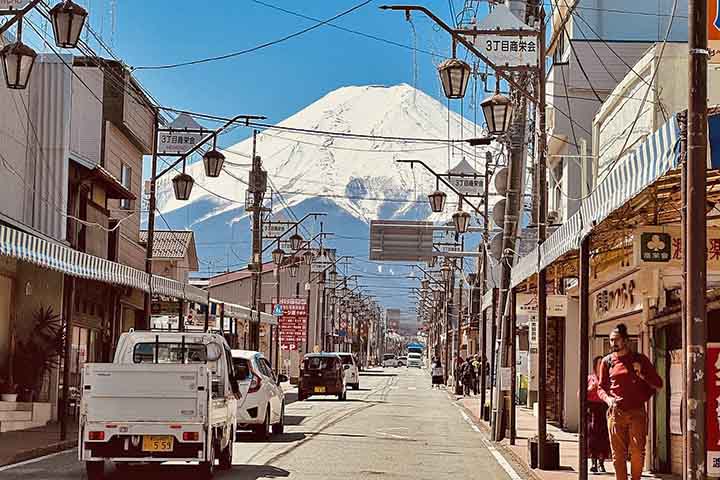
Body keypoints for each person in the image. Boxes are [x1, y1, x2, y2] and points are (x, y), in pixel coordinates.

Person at [598, 323, 663, 480]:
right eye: (611, 340)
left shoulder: (640, 359)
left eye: (617, 339)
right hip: (615, 412)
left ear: (626, 340)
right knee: (618, 455)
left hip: (637, 411)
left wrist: (642, 374)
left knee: (637, 452)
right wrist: (608, 399)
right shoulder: (607, 362)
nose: (613, 343)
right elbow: (601, 388)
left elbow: (659, 384)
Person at [587, 356, 611, 473]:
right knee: (592, 437)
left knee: (604, 437)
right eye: (599, 363)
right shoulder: (590, 378)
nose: (601, 366)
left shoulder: (608, 379)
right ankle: (593, 462)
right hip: (592, 410)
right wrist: (590, 389)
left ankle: (602, 463)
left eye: (603, 363)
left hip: (604, 409)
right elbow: (580, 395)